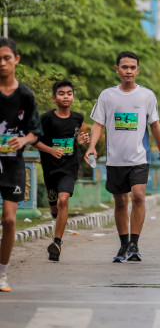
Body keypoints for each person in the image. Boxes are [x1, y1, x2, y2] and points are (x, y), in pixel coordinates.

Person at [86, 51, 160, 263]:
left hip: (139, 159)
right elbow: (98, 124)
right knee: (121, 202)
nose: (129, 71)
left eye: (133, 67)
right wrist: (91, 147)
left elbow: (155, 125)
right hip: (115, 160)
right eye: (124, 67)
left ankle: (134, 243)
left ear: (138, 70)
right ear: (117, 70)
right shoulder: (107, 95)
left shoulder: (147, 96)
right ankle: (124, 245)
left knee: (139, 196)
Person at [0, 38, 42, 292]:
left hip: (13, 164)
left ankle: (2, 273)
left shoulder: (25, 95)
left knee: (10, 219)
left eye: (6, 57)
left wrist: (23, 139)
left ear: (16, 60)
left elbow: (35, 132)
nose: (2, 63)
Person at [35, 80, 90, 261]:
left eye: (69, 93)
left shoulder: (78, 118)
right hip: (51, 169)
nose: (66, 96)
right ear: (54, 98)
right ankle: (57, 224)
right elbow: (34, 141)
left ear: (73, 97)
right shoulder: (46, 119)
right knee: (55, 210)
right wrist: (50, 150)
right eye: (61, 93)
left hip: (69, 167)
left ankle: (57, 242)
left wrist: (81, 143)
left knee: (63, 199)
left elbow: (76, 139)